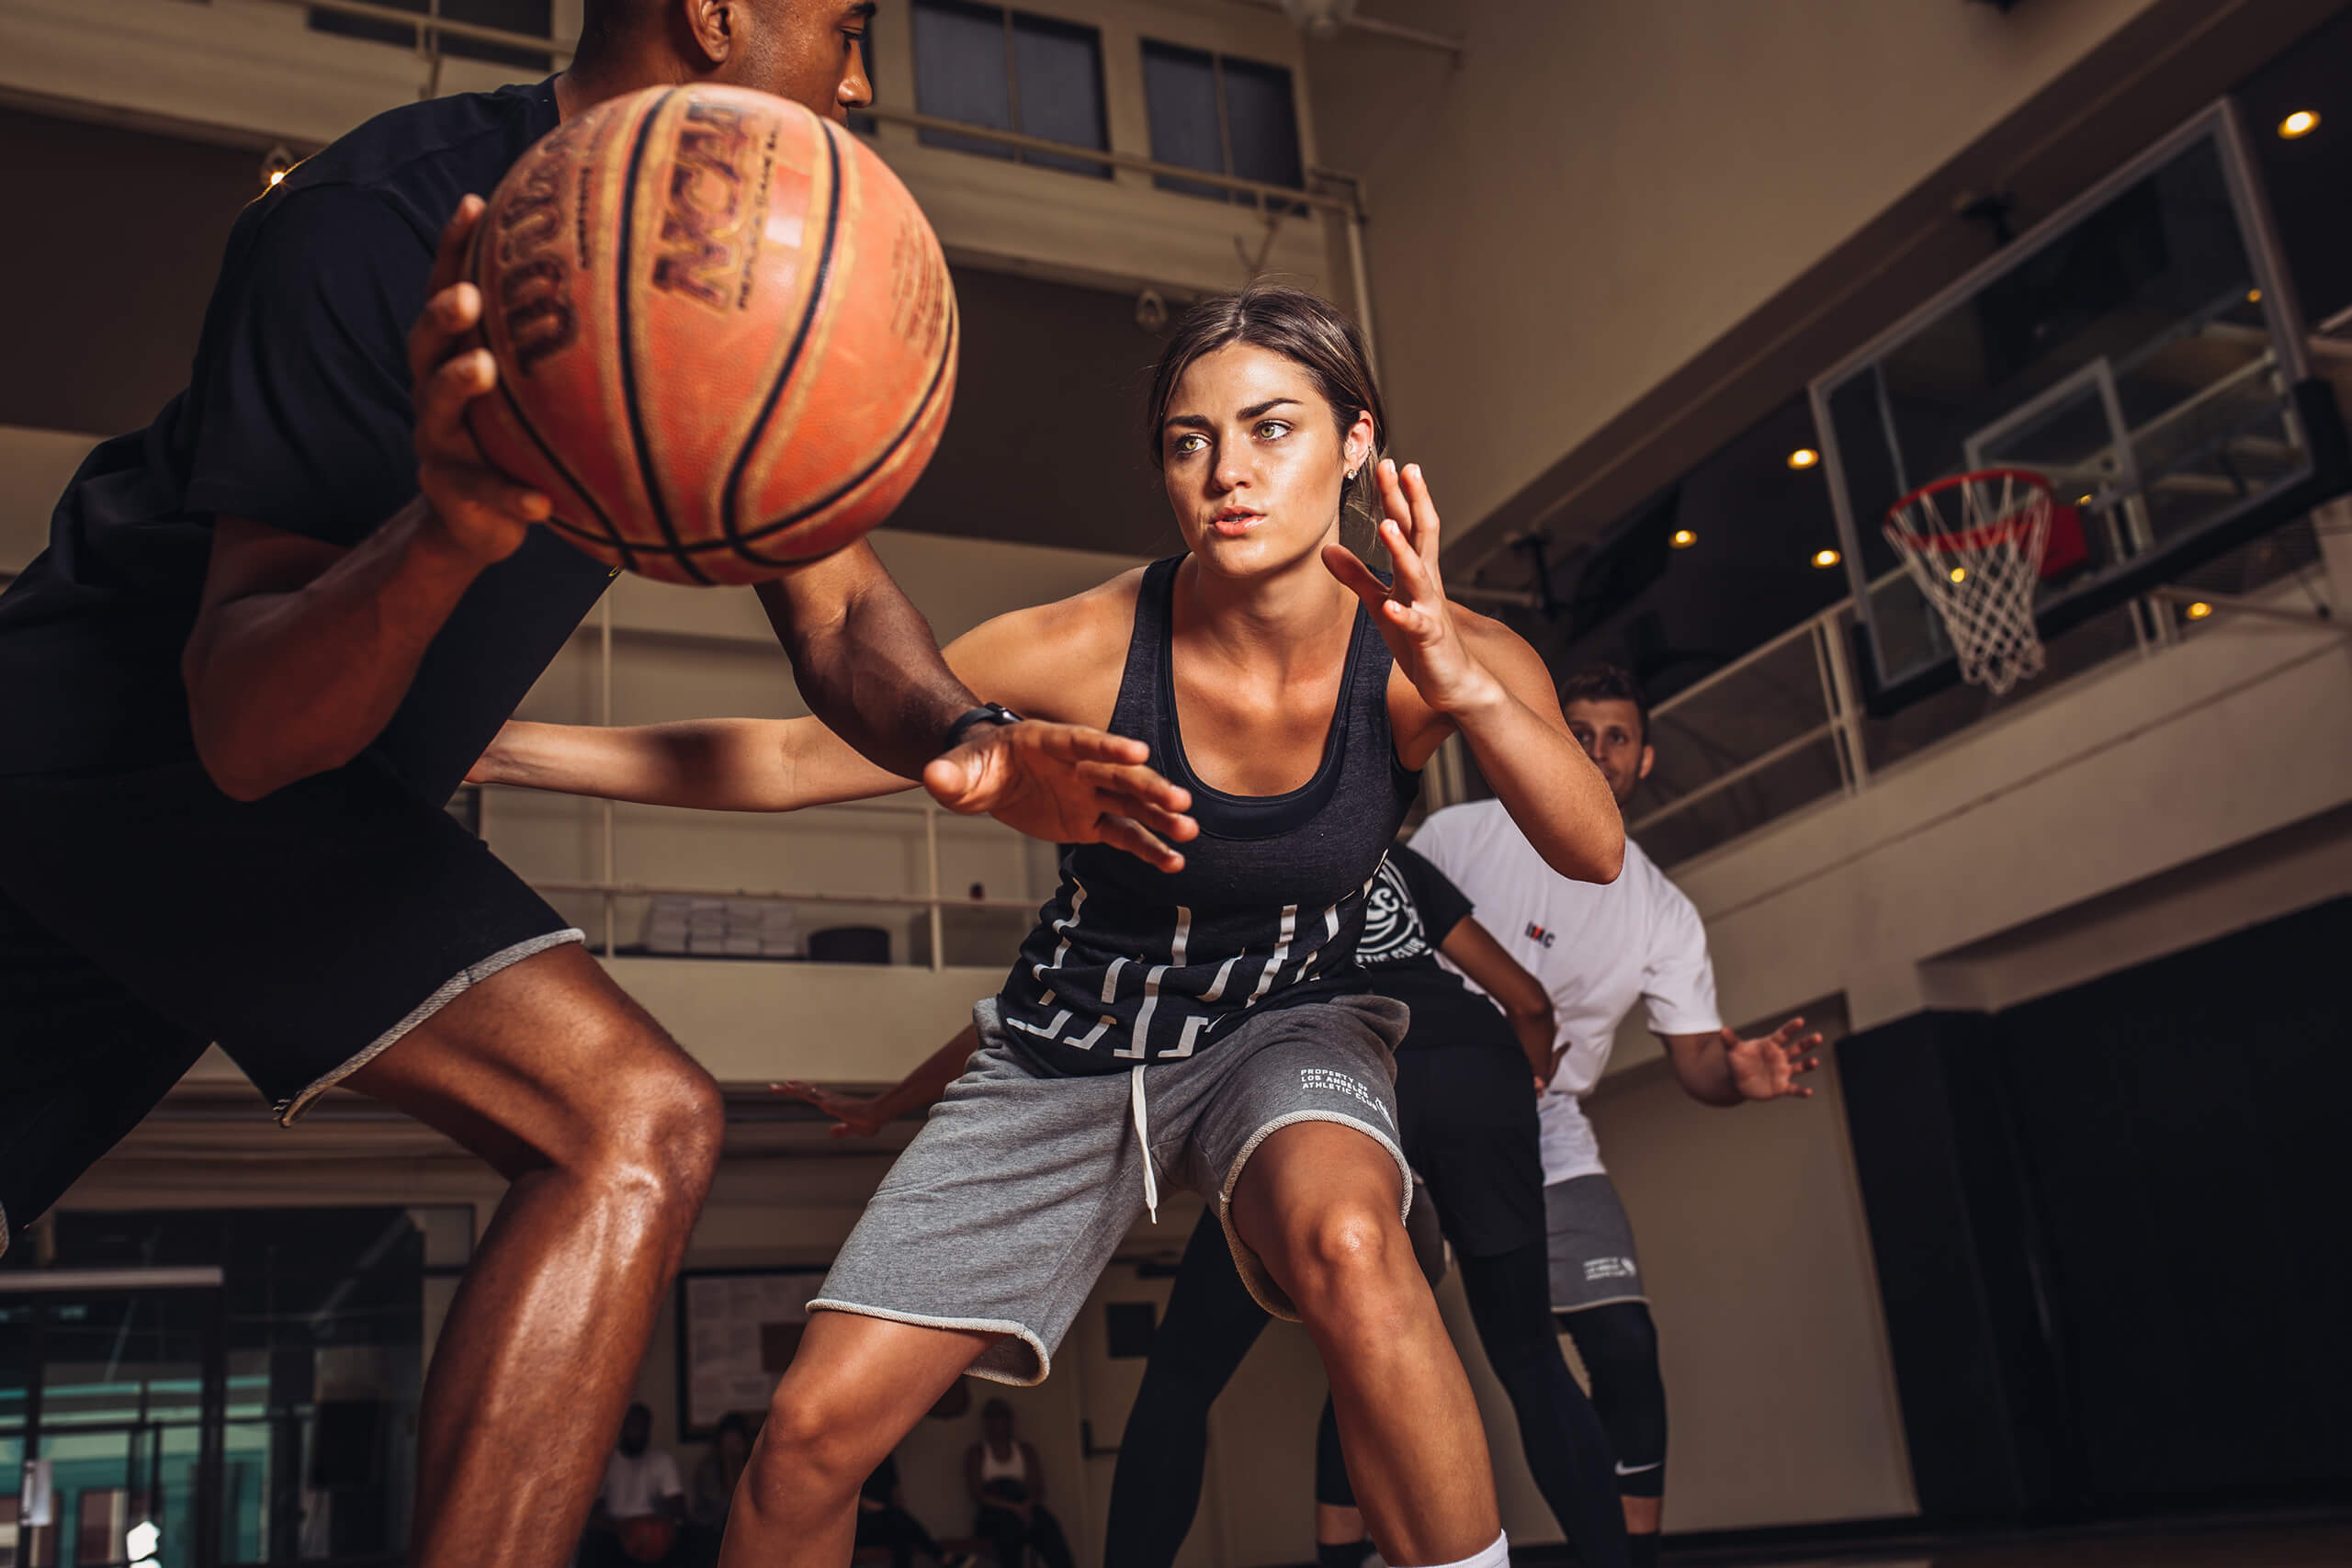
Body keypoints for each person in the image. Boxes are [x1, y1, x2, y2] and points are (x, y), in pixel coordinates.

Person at [0, 7, 1189, 1568]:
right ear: (716, 10)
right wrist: (445, 532)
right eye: (839, 24)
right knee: (628, 1120)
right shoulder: (377, 228)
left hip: (184, 858)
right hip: (113, 751)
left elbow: (833, 608)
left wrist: (970, 739)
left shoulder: (716, 277)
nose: (857, 77)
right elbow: (240, 730)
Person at [471, 282, 1625, 1568]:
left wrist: (1465, 686)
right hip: (1066, 1051)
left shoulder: (1431, 649)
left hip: (1291, 1025)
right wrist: (490, 748)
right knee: (804, 1439)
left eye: (1271, 428)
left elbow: (1593, 847)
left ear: (1357, 441)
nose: (1227, 472)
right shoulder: (1086, 642)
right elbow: (800, 755)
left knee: (1354, 1239)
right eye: (1189, 441)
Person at [780, 847, 1631, 1568]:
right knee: (1475, 1341)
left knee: (1195, 1371)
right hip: (1469, 1072)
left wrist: (886, 1107)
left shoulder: (1214, 860)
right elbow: (1527, 1001)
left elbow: (1051, 1005)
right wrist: (1518, 1095)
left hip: (1332, 1053)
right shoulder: (1382, 852)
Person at [1408, 664, 1822, 1568]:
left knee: (1625, 1345)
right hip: (1418, 1114)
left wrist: (1735, 1068)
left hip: (1548, 1126)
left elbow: (1696, 1061)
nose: (1596, 752)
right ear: (1551, 736)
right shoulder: (1458, 836)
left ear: (1643, 760)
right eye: (1580, 731)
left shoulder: (1660, 910)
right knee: (1385, 1355)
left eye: (1617, 738)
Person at [964, 1402, 1073, 1568]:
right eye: (990, 1419)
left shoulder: (1024, 1450)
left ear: (1009, 1421)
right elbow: (978, 1494)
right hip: (996, 1510)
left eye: (999, 1418)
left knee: (1048, 1528)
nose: (995, 1424)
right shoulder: (978, 1453)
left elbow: (1038, 1488)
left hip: (1025, 1505)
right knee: (1008, 1531)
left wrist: (1026, 1507)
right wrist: (1013, 1508)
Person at [591, 1404, 687, 1568]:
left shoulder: (662, 1460)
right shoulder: (605, 1462)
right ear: (622, 1428)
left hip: (654, 1529)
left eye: (643, 1428)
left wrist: (659, 1522)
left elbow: (679, 1509)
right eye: (633, 1427)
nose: (638, 1433)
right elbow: (594, 1512)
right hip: (615, 1533)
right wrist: (621, 1527)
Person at [857, 1449, 973, 1568]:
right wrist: (887, 1510)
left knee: (900, 1528)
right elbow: (861, 1504)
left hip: (888, 1521)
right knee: (899, 1522)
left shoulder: (886, 1457)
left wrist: (892, 1508)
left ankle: (942, 1556)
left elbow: (897, 1495)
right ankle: (942, 1556)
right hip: (862, 1524)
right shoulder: (855, 1459)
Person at [690, 1413, 755, 1556]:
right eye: (728, 1441)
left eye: (736, 1440)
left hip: (747, 1531)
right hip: (711, 1529)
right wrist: (728, 1462)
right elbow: (725, 1505)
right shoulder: (708, 1468)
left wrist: (738, 1463)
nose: (732, 1446)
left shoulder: (754, 1466)